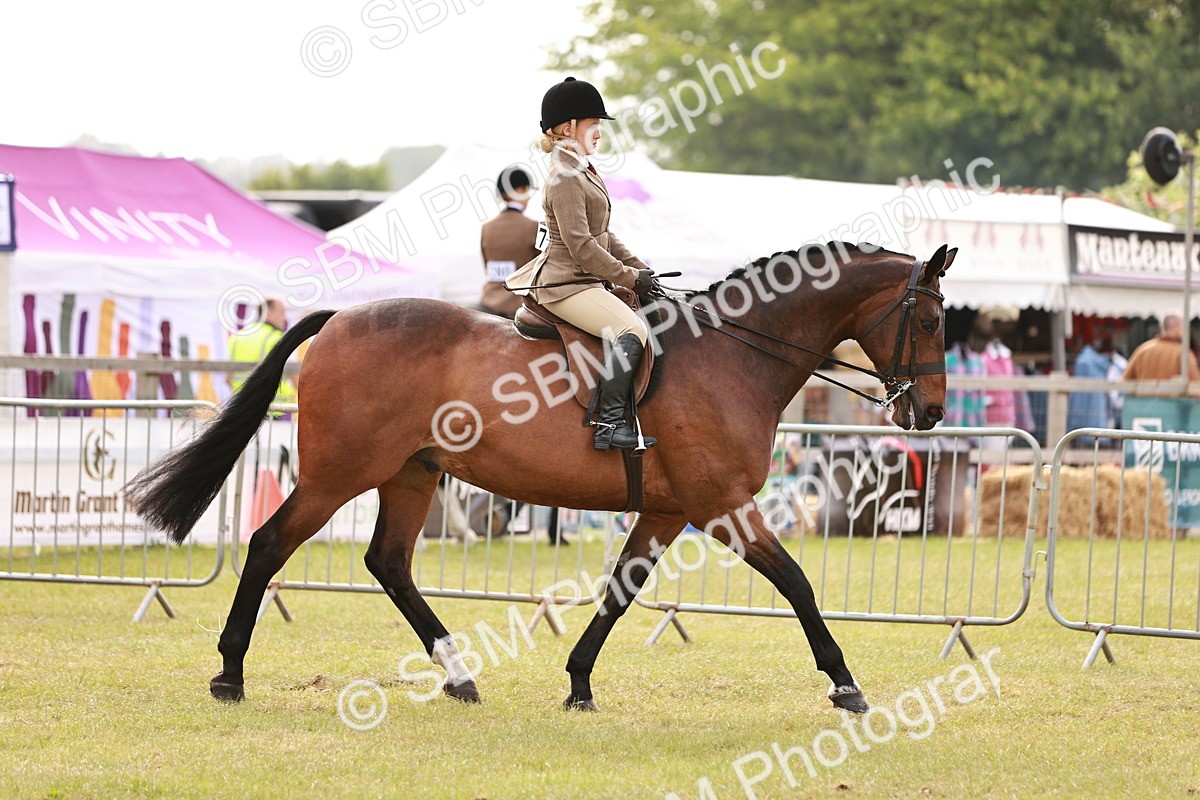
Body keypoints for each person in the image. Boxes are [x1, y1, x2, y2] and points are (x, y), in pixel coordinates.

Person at [506, 76, 658, 451]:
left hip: (584, 280)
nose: (600, 133)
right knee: (630, 329)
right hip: (566, 284)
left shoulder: (582, 169)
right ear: (568, 128)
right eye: (593, 124)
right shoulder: (565, 176)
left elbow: (603, 233)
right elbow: (581, 245)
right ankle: (608, 424)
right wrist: (628, 277)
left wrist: (640, 270)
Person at [479, 166, 539, 318]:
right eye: (527, 191)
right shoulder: (534, 227)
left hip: (488, 302)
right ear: (520, 190)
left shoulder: (487, 228)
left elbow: (488, 266)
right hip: (520, 306)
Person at [227, 296, 296, 405]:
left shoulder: (237, 338)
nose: (284, 319)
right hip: (275, 407)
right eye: (281, 313)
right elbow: (294, 375)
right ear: (268, 312)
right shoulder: (277, 338)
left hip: (242, 406)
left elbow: (228, 378)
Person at [1123, 313, 1200, 387]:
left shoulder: (1143, 349)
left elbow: (1125, 380)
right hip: (1170, 396)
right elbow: (1195, 385)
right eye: (1184, 326)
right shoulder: (1182, 352)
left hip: (1142, 396)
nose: (1186, 331)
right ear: (1173, 325)